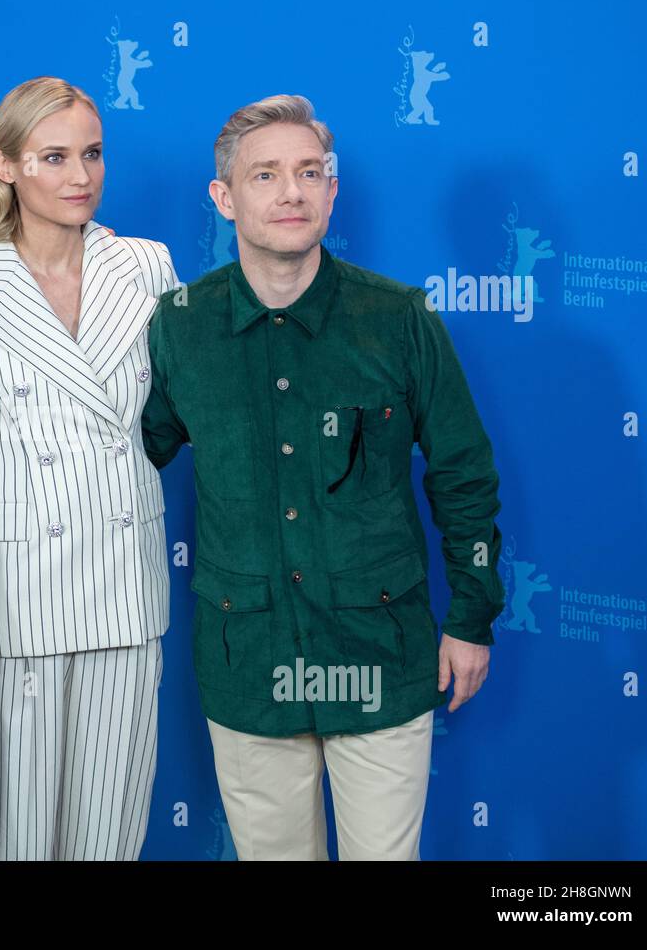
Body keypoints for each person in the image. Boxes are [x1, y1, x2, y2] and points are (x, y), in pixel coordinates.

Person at [141, 94, 503, 859]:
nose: (292, 192)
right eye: (265, 174)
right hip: (250, 666)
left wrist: (472, 615)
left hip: (380, 657)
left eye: (310, 172)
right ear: (224, 197)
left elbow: (463, 470)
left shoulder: (399, 318)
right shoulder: (179, 324)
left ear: (333, 190)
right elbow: (130, 449)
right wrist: (1, 439)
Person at [0, 76, 178, 860]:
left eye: (93, 154)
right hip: (13, 592)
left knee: (111, 827)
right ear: (4, 165)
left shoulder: (149, 267)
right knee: (16, 830)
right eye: (55, 156)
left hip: (127, 584)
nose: (81, 176)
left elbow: (185, 411)